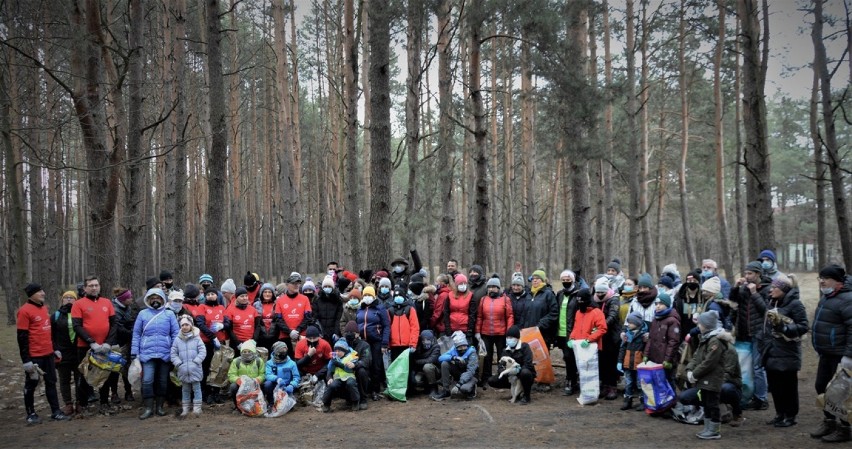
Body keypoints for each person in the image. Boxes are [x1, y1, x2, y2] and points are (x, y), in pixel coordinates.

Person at [756, 274, 808, 428]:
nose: (771, 290)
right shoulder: (771, 303)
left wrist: (785, 328)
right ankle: (780, 414)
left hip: (787, 351)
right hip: (770, 350)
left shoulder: (795, 304)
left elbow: (803, 326)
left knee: (788, 386)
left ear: (783, 290)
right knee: (775, 386)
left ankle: (790, 415)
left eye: (774, 287)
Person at [810, 264, 852, 443]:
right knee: (821, 387)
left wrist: (849, 356)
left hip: (840, 355)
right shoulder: (827, 297)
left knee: (840, 392)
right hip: (826, 353)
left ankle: (845, 428)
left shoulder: (848, 299)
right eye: (820, 278)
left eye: (825, 278)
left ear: (837, 281)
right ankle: (829, 421)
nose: (821, 281)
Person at [18, 283, 70, 424]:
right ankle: (31, 414)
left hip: (48, 354)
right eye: (39, 291)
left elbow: (49, 332)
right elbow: (22, 337)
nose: (43, 293)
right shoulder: (24, 311)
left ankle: (56, 412)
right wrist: (26, 360)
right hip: (34, 356)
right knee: (31, 384)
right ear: (32, 294)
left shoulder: (44, 309)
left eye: (42, 290)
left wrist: (55, 349)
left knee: (51, 383)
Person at [72, 275, 118, 413]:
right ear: (85, 288)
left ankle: (104, 402)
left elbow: (114, 323)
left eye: (96, 285)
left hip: (105, 347)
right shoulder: (78, 304)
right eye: (91, 285)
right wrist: (91, 342)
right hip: (86, 346)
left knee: (105, 375)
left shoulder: (107, 302)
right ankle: (82, 405)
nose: (94, 288)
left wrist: (108, 343)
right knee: (84, 376)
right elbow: (77, 326)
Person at [132, 287, 180, 419]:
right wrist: (134, 352)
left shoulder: (169, 314)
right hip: (147, 353)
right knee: (147, 380)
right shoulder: (143, 314)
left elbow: (176, 333)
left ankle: (159, 407)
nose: (155, 300)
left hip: (165, 352)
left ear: (163, 299)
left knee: (162, 381)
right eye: (152, 298)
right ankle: (148, 407)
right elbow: (136, 334)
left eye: (158, 298)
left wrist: (174, 350)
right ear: (148, 300)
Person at [729, 260, 771, 410]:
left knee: (758, 367)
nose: (747, 276)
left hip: (759, 334)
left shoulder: (767, 289)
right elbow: (732, 302)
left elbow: (766, 311)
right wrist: (735, 287)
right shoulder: (744, 289)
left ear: (758, 274)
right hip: (743, 333)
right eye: (745, 273)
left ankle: (762, 398)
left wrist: (754, 293)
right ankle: (748, 395)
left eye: (750, 273)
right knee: (745, 367)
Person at [678, 331, 744, 427]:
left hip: (724, 383)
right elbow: (695, 359)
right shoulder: (703, 344)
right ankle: (708, 411)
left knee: (725, 389)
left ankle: (736, 412)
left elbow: (727, 373)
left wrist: (702, 379)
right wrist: (689, 372)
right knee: (684, 397)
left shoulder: (729, 350)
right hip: (705, 382)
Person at [686, 311, 733, 440]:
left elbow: (709, 362)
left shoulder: (715, 341)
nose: (698, 326)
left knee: (712, 404)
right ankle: (708, 428)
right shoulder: (706, 337)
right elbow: (697, 356)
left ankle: (714, 430)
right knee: (706, 403)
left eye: (700, 323)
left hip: (712, 379)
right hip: (704, 378)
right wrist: (690, 369)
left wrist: (694, 374)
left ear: (706, 325)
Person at [567, 288, 608, 399]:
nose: (580, 303)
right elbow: (576, 328)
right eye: (578, 301)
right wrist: (571, 338)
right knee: (582, 369)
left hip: (592, 346)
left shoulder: (596, 312)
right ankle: (584, 390)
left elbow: (602, 328)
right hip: (579, 347)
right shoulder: (578, 312)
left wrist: (589, 339)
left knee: (592, 370)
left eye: (582, 301)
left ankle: (594, 390)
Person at [475, 277, 514, 386]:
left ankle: (502, 377)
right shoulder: (483, 300)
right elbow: (479, 317)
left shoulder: (505, 299)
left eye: (494, 287)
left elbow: (510, 316)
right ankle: (486, 378)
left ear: (498, 288)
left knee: (502, 356)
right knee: (487, 356)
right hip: (486, 333)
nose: (492, 289)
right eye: (490, 287)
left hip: (501, 334)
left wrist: (509, 332)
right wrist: (477, 332)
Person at [487, 325, 536, 405]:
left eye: (512, 338)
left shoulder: (525, 347)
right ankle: (516, 390)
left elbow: (528, 364)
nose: (509, 340)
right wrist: (504, 372)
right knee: (492, 380)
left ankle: (526, 396)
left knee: (525, 373)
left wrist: (517, 372)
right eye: (508, 337)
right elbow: (501, 366)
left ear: (517, 338)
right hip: (510, 376)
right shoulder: (505, 350)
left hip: (523, 375)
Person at [356, 286, 390, 401]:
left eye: (369, 295)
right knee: (365, 365)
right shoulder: (360, 309)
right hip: (363, 342)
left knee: (376, 366)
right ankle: (365, 389)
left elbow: (386, 326)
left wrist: (384, 343)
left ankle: (375, 391)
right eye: (365, 295)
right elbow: (357, 324)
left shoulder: (380, 308)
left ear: (374, 296)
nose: (367, 297)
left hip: (376, 341)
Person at [644, 291, 681, 393]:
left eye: (661, 304)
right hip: (655, 357)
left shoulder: (672, 321)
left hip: (666, 360)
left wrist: (668, 360)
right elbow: (651, 338)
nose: (658, 306)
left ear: (667, 305)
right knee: (657, 381)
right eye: (656, 304)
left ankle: (672, 402)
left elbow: (673, 342)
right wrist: (646, 354)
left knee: (669, 380)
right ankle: (661, 403)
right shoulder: (656, 319)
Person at [52, 290, 81, 416]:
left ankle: (80, 402)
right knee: (64, 379)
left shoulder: (79, 313)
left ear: (76, 300)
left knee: (79, 377)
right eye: (66, 298)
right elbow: (50, 335)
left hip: (78, 351)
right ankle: (68, 404)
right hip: (62, 353)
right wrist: (55, 349)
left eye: (71, 298)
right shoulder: (56, 316)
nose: (69, 300)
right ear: (62, 300)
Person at [170, 315, 206, 417]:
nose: (184, 327)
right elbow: (173, 353)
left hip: (195, 368)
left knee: (197, 388)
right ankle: (185, 408)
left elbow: (202, 351)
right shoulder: (177, 339)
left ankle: (197, 408)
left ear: (191, 325)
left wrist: (196, 361)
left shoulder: (197, 338)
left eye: (187, 324)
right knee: (185, 389)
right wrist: (178, 363)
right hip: (183, 369)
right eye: (182, 325)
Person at [195, 286, 226, 404]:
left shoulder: (222, 307)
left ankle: (216, 392)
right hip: (206, 342)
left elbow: (228, 322)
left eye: (213, 294)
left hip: (220, 343)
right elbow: (200, 324)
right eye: (208, 294)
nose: (210, 296)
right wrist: (212, 337)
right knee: (207, 367)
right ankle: (206, 393)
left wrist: (222, 326)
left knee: (219, 368)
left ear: (217, 295)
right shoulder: (202, 307)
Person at [593, 276, 622, 400]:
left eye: (601, 292)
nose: (599, 294)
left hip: (612, 336)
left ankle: (612, 386)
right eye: (597, 292)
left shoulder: (614, 299)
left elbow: (613, 315)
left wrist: (602, 326)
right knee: (602, 362)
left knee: (611, 362)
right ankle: (604, 385)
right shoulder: (594, 299)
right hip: (600, 337)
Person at [431, 330, 479, 400]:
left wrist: (458, 385)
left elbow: (470, 371)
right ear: (456, 346)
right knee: (445, 363)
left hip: (471, 375)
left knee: (464, 389)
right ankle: (446, 390)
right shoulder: (454, 349)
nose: (462, 348)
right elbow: (440, 358)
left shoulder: (472, 352)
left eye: (464, 346)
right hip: (459, 373)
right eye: (460, 347)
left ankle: (472, 388)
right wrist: (453, 357)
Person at [110, 287, 137, 404]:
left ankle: (128, 391)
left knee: (126, 368)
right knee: (115, 370)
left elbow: (129, 321)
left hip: (126, 342)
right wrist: (131, 333)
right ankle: (114, 393)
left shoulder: (127, 308)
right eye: (129, 298)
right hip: (116, 343)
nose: (131, 299)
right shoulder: (115, 310)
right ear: (123, 299)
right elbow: (118, 328)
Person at [618, 312, 648, 411]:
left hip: (639, 363)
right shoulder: (627, 334)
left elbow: (647, 349)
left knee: (640, 384)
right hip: (628, 363)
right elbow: (622, 348)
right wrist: (619, 361)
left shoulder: (644, 335)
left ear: (637, 323)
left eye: (631, 322)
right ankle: (628, 400)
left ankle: (643, 401)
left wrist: (646, 359)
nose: (629, 324)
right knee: (628, 382)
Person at [322, 339, 361, 412]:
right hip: (337, 377)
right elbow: (330, 369)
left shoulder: (352, 356)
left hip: (349, 375)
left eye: (339, 351)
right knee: (331, 385)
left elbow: (350, 369)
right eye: (336, 351)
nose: (337, 353)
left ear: (344, 351)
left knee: (351, 384)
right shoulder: (334, 357)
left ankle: (355, 402)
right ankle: (326, 404)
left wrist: (338, 364)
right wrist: (329, 377)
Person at [274, 274, 312, 346]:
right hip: (285, 336)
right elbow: (278, 319)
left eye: (298, 283)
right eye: (294, 283)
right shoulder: (280, 300)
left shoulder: (305, 299)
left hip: (301, 335)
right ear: (287, 285)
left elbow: (308, 317)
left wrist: (298, 330)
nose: (296, 285)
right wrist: (289, 332)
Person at [226, 339, 265, 409]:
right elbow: (231, 375)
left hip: (255, 384)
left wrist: (258, 380)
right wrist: (238, 380)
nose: (247, 353)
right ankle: (237, 406)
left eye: (249, 351)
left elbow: (263, 374)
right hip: (242, 385)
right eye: (244, 352)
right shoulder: (236, 361)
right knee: (233, 387)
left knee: (267, 385)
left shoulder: (259, 361)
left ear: (253, 352)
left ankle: (260, 404)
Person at [342, 321, 372, 410]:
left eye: (352, 333)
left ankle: (363, 399)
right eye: (347, 333)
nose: (349, 335)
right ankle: (348, 397)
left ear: (358, 334)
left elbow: (366, 360)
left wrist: (355, 365)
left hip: (358, 371)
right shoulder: (343, 344)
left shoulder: (364, 345)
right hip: (345, 371)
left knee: (362, 371)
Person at [262, 341, 300, 406]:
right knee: (267, 384)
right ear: (276, 352)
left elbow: (296, 377)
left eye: (285, 351)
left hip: (287, 386)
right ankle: (271, 402)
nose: (284, 353)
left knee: (285, 405)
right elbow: (267, 375)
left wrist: (292, 385)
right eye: (281, 352)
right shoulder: (269, 363)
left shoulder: (292, 363)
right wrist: (277, 379)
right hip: (275, 384)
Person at [388, 286, 420, 361]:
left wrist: (413, 343)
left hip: (407, 346)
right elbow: (387, 329)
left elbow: (415, 328)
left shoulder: (410, 310)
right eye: (396, 296)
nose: (398, 297)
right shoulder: (390, 311)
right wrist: (388, 345)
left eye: (400, 295)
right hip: (394, 346)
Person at [442, 274, 476, 340]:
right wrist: (448, 328)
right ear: (456, 284)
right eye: (461, 283)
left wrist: (470, 330)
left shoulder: (470, 296)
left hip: (465, 329)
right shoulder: (450, 295)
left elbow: (472, 314)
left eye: (464, 283)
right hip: (452, 329)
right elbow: (446, 312)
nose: (463, 285)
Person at [224, 287, 259, 351]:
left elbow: (257, 326)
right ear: (237, 298)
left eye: (246, 296)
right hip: (236, 343)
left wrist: (254, 340)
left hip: (250, 342)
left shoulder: (253, 309)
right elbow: (229, 329)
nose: (245, 298)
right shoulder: (230, 310)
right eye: (242, 296)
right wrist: (237, 343)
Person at [312, 276, 343, 345]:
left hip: (333, 333)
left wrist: (336, 332)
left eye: (329, 286)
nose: (327, 288)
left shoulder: (338, 301)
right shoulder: (317, 300)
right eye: (325, 286)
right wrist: (320, 332)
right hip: (321, 333)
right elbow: (315, 318)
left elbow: (338, 319)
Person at [411, 329, 441, 397]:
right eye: (423, 340)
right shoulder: (418, 347)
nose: (425, 342)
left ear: (431, 339)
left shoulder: (436, 347)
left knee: (427, 367)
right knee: (416, 380)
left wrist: (417, 361)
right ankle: (425, 386)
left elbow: (431, 360)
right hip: (421, 370)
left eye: (427, 339)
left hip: (435, 370)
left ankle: (433, 388)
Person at [673, 269, 702, 338]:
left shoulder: (703, 296)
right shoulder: (679, 298)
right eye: (689, 281)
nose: (692, 283)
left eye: (694, 281)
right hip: (683, 334)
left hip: (699, 333)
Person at [253, 283, 278, 352]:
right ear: (261, 293)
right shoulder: (256, 305)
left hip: (274, 336)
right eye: (265, 292)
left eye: (269, 292)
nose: (267, 294)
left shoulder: (277, 304)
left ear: (273, 294)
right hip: (260, 337)